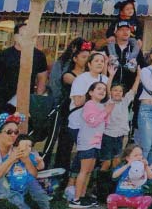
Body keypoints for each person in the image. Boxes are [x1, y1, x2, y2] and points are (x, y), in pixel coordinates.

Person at [0, 23, 48, 145]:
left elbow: (42, 79)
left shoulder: (38, 56)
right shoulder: (1, 56)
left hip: (25, 103)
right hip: (2, 102)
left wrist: (36, 102)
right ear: (16, 37)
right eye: (23, 35)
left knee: (19, 136)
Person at [65, 51, 115, 203]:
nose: (100, 63)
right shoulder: (81, 79)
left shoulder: (105, 79)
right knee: (82, 163)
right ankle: (73, 192)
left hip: (96, 135)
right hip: (79, 125)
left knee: (88, 166)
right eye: (96, 61)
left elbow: (109, 97)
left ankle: (81, 193)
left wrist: (110, 78)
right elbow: (79, 101)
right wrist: (94, 98)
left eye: (102, 61)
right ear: (89, 64)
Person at [72, 81, 115, 207]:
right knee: (84, 171)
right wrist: (105, 112)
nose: (102, 91)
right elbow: (93, 121)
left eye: (104, 89)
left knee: (89, 171)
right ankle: (76, 199)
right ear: (91, 92)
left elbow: (104, 122)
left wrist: (107, 112)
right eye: (98, 89)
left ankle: (83, 195)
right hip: (87, 143)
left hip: (96, 143)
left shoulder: (101, 106)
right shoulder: (89, 104)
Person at [0, 134, 50, 209]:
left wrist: (40, 162)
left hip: (29, 182)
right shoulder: (8, 158)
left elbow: (40, 167)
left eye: (29, 146)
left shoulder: (31, 156)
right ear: (14, 148)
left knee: (40, 195)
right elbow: (3, 172)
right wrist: (12, 161)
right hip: (12, 185)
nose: (27, 149)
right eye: (23, 146)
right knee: (17, 202)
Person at [54, 42, 92, 173]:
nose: (86, 60)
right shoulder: (69, 75)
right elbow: (82, 85)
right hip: (69, 113)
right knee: (65, 145)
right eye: (83, 57)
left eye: (88, 57)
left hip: (88, 114)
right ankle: (60, 173)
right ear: (75, 59)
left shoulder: (92, 76)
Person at [108, 144, 152, 209]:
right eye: (135, 155)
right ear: (128, 158)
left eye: (140, 155)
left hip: (136, 198)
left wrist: (146, 166)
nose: (139, 157)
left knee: (149, 199)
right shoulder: (123, 167)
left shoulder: (142, 168)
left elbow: (151, 177)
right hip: (122, 197)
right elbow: (114, 176)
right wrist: (127, 165)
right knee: (111, 197)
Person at [106, 22, 145, 93]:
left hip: (130, 90)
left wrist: (135, 67)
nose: (125, 32)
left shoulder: (136, 50)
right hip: (110, 89)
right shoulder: (107, 49)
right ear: (115, 32)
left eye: (127, 29)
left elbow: (143, 68)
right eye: (122, 29)